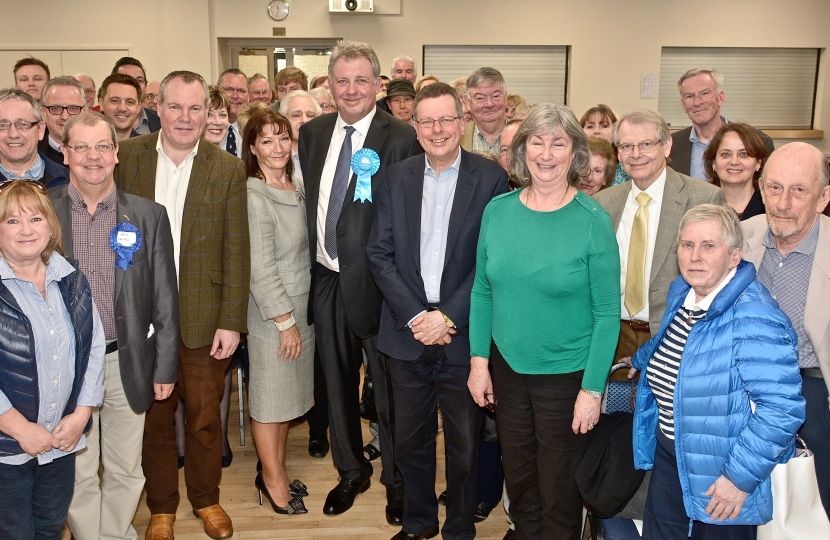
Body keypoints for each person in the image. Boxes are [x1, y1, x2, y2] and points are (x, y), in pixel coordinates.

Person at [468, 103, 621, 540]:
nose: (547, 153)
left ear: (574, 153)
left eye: (559, 142)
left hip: (567, 377)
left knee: (560, 488)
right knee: (519, 480)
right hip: (508, 370)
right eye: (537, 141)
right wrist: (480, 363)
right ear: (523, 150)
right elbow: (482, 291)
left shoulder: (592, 221)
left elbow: (607, 314)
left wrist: (592, 390)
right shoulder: (498, 211)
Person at [368, 82, 509, 540]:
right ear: (415, 127)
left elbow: (491, 262)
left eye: (446, 119)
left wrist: (446, 316)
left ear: (462, 122)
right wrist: (416, 317)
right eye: (427, 121)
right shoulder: (393, 177)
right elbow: (379, 254)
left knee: (465, 443)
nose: (437, 129)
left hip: (463, 333)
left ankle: (460, 528)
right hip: (406, 332)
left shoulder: (489, 179)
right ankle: (419, 522)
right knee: (410, 441)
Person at [115, 70, 249, 540]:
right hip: (142, 320)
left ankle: (207, 501)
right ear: (159, 108)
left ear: (209, 112)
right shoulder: (126, 157)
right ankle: (162, 508)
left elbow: (237, 248)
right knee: (152, 420)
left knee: (205, 420)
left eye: (197, 108)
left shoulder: (227, 167)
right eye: (175, 107)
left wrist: (232, 322)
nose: (185, 118)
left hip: (202, 317)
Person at [297, 39, 421, 522]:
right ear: (330, 85)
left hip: (383, 288)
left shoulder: (403, 137)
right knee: (336, 384)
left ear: (378, 85)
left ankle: (396, 479)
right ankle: (350, 470)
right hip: (327, 280)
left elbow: (408, 220)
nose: (351, 89)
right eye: (341, 80)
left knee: (389, 391)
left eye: (360, 80)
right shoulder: (313, 133)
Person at [627, 204, 805, 539]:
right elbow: (670, 342)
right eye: (687, 245)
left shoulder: (754, 315)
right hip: (672, 453)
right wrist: (636, 360)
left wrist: (739, 478)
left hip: (722, 472)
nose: (695, 256)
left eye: (709, 246)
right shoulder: (684, 292)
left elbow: (782, 409)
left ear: (734, 256)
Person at [50, 111, 180, 540]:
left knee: (126, 466)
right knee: (79, 469)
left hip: (126, 359)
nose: (93, 157)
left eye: (102, 146)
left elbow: (164, 298)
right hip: (64, 368)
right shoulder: (42, 214)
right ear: (64, 152)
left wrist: (164, 368)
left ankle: (116, 533)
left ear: (116, 153)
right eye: (81, 147)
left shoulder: (147, 215)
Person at [0, 180, 106, 539]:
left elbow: (93, 349)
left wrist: (81, 415)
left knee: (48, 529)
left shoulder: (72, 279)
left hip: (60, 442)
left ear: (50, 226)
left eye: (35, 218)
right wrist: (20, 430)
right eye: (12, 221)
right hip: (7, 450)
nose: (26, 230)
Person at [741, 142, 830, 517]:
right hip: (741, 389)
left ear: (823, 198)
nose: (783, 203)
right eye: (774, 188)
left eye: (799, 191)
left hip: (810, 391)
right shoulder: (737, 238)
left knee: (811, 510)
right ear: (761, 190)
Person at [593, 108, 725, 361]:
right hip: (612, 338)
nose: (636, 154)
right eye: (626, 146)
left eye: (645, 144)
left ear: (666, 146)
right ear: (618, 153)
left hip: (676, 339)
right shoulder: (603, 203)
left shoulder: (703, 199)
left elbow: (717, 281)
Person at [242, 108, 314, 515]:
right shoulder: (255, 195)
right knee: (270, 403)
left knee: (287, 400)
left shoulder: (295, 185)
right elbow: (260, 267)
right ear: (253, 148)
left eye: (283, 137)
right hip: (275, 317)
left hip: (302, 310)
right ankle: (271, 481)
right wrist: (285, 322)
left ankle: (279, 470)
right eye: (267, 140)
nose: (277, 147)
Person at [670, 67, 774, 180]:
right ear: (683, 105)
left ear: (721, 98)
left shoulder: (760, 142)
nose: (697, 102)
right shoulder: (670, 145)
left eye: (705, 93)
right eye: (689, 96)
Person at [0, 88, 69, 188]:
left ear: (40, 130)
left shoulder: (68, 181)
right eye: (3, 125)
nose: (13, 134)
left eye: (23, 124)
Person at [703, 123, 770, 220]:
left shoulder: (770, 207)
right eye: (726, 154)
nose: (734, 161)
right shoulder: (700, 206)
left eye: (743, 154)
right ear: (713, 162)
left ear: (758, 163)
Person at [38, 76, 87, 165]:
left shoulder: (102, 153)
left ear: (85, 112)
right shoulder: (31, 154)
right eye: (56, 108)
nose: (64, 117)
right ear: (43, 114)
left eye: (73, 108)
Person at [580, 104, 629, 186]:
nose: (597, 131)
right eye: (590, 126)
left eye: (604, 126)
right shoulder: (571, 162)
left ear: (615, 132)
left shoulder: (627, 166)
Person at [461, 68, 507, 155]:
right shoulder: (457, 138)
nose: (489, 104)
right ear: (467, 102)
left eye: (495, 96)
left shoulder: (524, 135)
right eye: (480, 98)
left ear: (505, 97)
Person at [111, 57, 161, 136]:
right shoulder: (98, 121)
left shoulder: (160, 120)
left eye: (140, 81)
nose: (135, 85)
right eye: (127, 79)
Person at [280, 90, 320, 180]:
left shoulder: (329, 153)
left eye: (310, 115)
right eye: (296, 115)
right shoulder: (276, 156)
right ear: (284, 120)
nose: (304, 120)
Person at [98, 73, 143, 141]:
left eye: (130, 102)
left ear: (138, 108)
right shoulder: (84, 143)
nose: (122, 108)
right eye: (115, 101)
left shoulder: (151, 149)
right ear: (101, 104)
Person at [217, 68, 249, 159]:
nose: (235, 96)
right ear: (218, 90)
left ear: (248, 95)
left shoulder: (255, 129)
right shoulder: (206, 129)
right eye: (229, 89)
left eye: (241, 91)